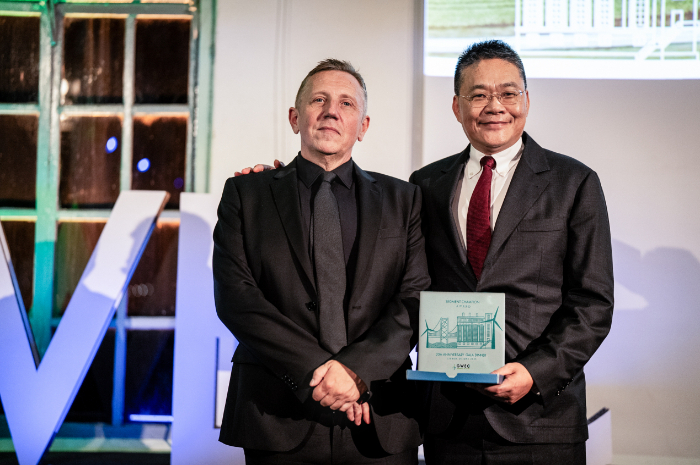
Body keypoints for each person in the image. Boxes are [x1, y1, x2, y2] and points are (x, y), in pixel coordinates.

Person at [213, 59, 430, 464]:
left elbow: (415, 297)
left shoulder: (404, 200)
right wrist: (319, 370)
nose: (332, 111)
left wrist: (356, 372)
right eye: (319, 100)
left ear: (363, 126)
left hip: (380, 411)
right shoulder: (246, 194)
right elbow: (236, 297)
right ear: (295, 118)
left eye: (347, 103)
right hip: (276, 412)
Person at [409, 40, 614, 464]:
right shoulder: (425, 184)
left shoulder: (574, 182)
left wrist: (536, 372)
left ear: (526, 101)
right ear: (456, 106)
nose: (494, 106)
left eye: (508, 93)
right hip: (449, 420)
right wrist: (283, 183)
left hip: (541, 418)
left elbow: (593, 302)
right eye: (478, 95)